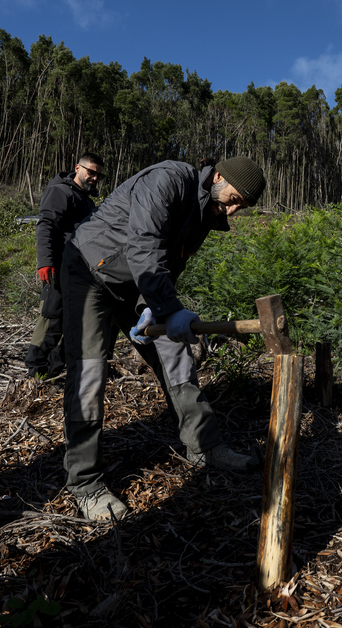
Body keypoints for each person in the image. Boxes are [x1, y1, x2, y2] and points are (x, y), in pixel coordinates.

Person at [60, 157, 265, 520]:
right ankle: (86, 484)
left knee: (176, 353)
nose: (232, 211)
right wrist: (168, 309)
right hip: (89, 271)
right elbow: (144, 243)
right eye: (234, 199)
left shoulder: (207, 213)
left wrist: (149, 307)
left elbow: (170, 263)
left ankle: (205, 446)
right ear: (218, 176)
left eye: (241, 207)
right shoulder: (168, 180)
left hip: (136, 283)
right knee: (89, 372)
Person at [25, 153, 103, 379]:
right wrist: (46, 262)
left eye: (98, 175)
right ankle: (35, 373)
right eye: (91, 172)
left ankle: (54, 373)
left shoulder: (87, 201)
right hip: (59, 268)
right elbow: (46, 225)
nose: (94, 178)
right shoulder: (61, 191)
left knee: (72, 323)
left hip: (80, 271)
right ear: (78, 168)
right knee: (51, 318)